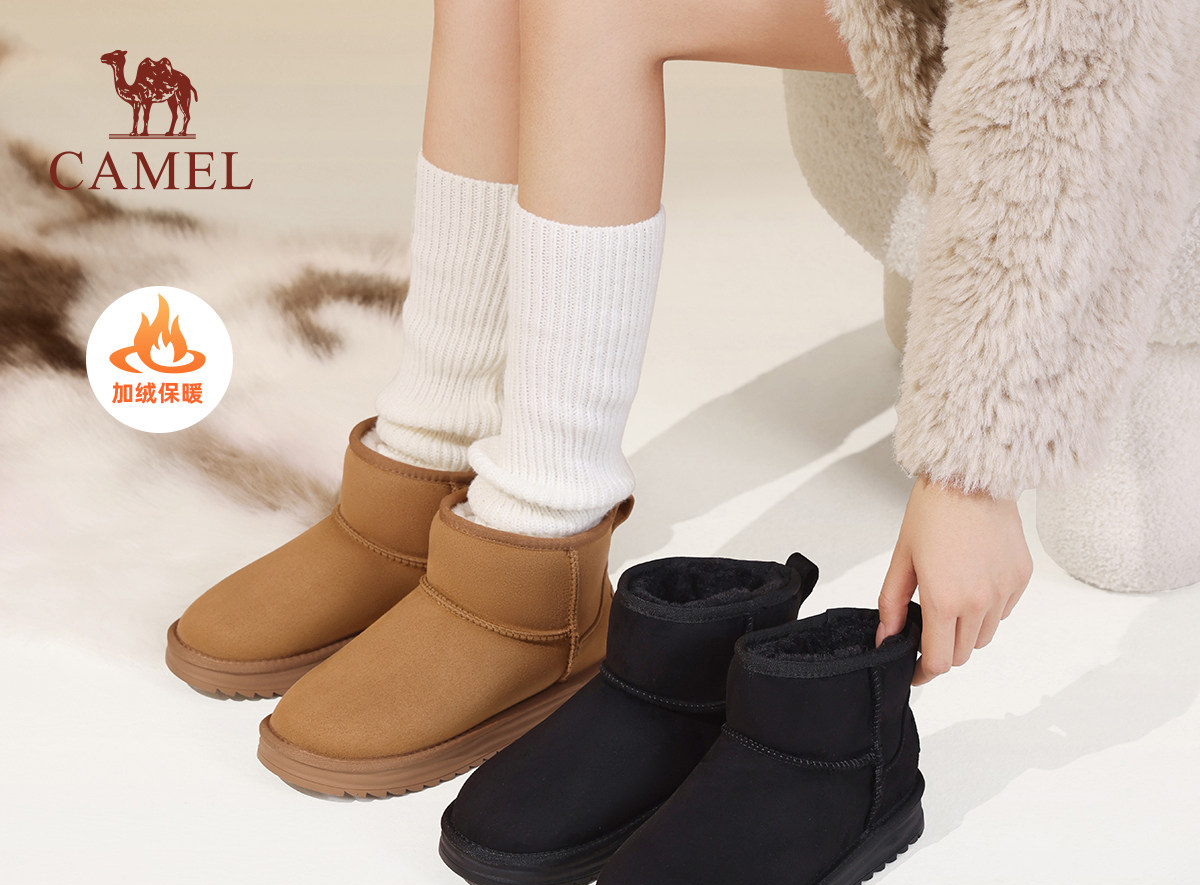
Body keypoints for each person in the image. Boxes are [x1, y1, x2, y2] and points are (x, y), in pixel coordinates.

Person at [167, 1, 1198, 799]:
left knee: (597, 10)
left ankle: (536, 545)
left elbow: (1077, 60)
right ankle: (431, 448)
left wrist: (974, 465)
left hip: (1107, 69)